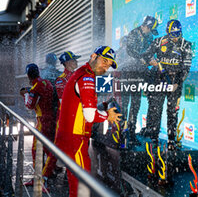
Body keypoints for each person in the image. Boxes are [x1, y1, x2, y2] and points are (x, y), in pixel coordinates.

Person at [54, 46, 122, 197]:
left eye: (109, 64)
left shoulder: (83, 73)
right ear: (93, 56)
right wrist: (107, 115)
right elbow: (90, 116)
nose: (106, 66)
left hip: (71, 137)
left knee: (77, 184)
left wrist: (103, 107)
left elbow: (80, 106)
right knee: (81, 186)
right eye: (104, 60)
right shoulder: (87, 77)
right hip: (75, 139)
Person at [142, 19, 193, 150]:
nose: (176, 37)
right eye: (173, 34)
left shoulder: (186, 45)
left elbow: (186, 68)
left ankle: (171, 140)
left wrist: (178, 82)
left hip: (175, 82)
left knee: (172, 112)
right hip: (159, 80)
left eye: (178, 34)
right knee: (156, 109)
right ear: (167, 32)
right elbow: (146, 55)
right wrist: (151, 61)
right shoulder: (159, 41)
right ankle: (154, 138)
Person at [42, 51, 80, 180]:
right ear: (67, 63)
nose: (76, 62)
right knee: (57, 148)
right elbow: (64, 101)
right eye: (74, 60)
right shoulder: (61, 79)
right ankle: (45, 175)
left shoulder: (76, 76)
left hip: (75, 118)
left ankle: (70, 174)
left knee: (73, 148)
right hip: (64, 119)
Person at [20, 63, 56, 190]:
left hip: (42, 121)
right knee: (49, 149)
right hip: (51, 119)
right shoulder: (46, 82)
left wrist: (25, 94)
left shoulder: (35, 88)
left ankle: (39, 179)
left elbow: (29, 105)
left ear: (28, 75)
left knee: (36, 149)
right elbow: (44, 94)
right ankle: (49, 172)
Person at [124, 16, 159, 145]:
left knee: (136, 103)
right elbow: (130, 51)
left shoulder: (150, 37)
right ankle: (121, 132)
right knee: (124, 104)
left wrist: (152, 59)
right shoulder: (133, 33)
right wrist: (141, 58)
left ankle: (132, 133)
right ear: (145, 26)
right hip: (127, 74)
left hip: (140, 74)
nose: (150, 32)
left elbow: (149, 52)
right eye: (150, 29)